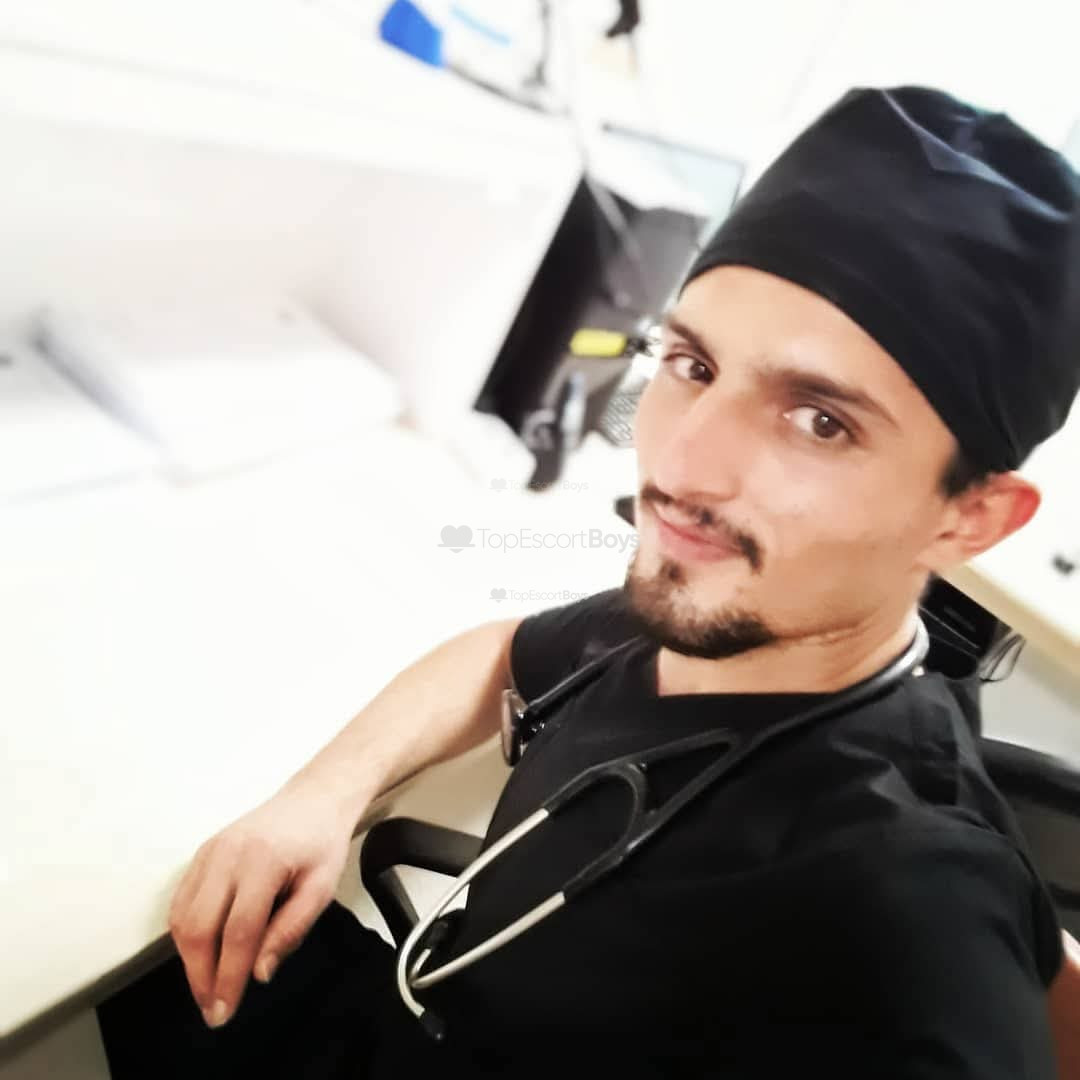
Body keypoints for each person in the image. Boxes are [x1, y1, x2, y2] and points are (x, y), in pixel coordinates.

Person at [97, 84, 1080, 1077]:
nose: (683, 466)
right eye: (692, 364)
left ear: (969, 518)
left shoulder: (905, 929)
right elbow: (502, 652)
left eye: (819, 421)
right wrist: (323, 795)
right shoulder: (715, 617)